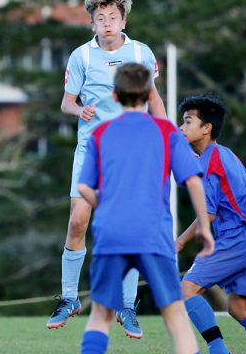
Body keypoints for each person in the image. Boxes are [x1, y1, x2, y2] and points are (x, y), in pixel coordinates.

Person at [47, 0, 167, 338]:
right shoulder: (81, 56)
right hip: (92, 151)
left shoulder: (141, 53)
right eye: (101, 17)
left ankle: (128, 306)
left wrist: (166, 138)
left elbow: (154, 99)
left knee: (127, 227)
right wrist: (78, 110)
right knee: (78, 222)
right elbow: (67, 102)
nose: (108, 22)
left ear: (123, 21)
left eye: (113, 16)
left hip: (130, 155)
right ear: (93, 22)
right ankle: (69, 298)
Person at [77, 63, 214, 354]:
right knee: (176, 317)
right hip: (153, 234)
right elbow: (193, 181)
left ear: (114, 95)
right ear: (151, 93)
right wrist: (203, 226)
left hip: (112, 234)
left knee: (100, 317)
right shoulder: (166, 131)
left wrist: (107, 207)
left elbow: (84, 188)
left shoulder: (101, 133)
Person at [177, 94, 246, 353]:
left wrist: (179, 241)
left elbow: (208, 215)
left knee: (188, 288)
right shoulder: (228, 154)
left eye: (188, 122)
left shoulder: (207, 162)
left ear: (206, 128)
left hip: (237, 237)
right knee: (237, 307)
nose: (182, 127)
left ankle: (218, 350)